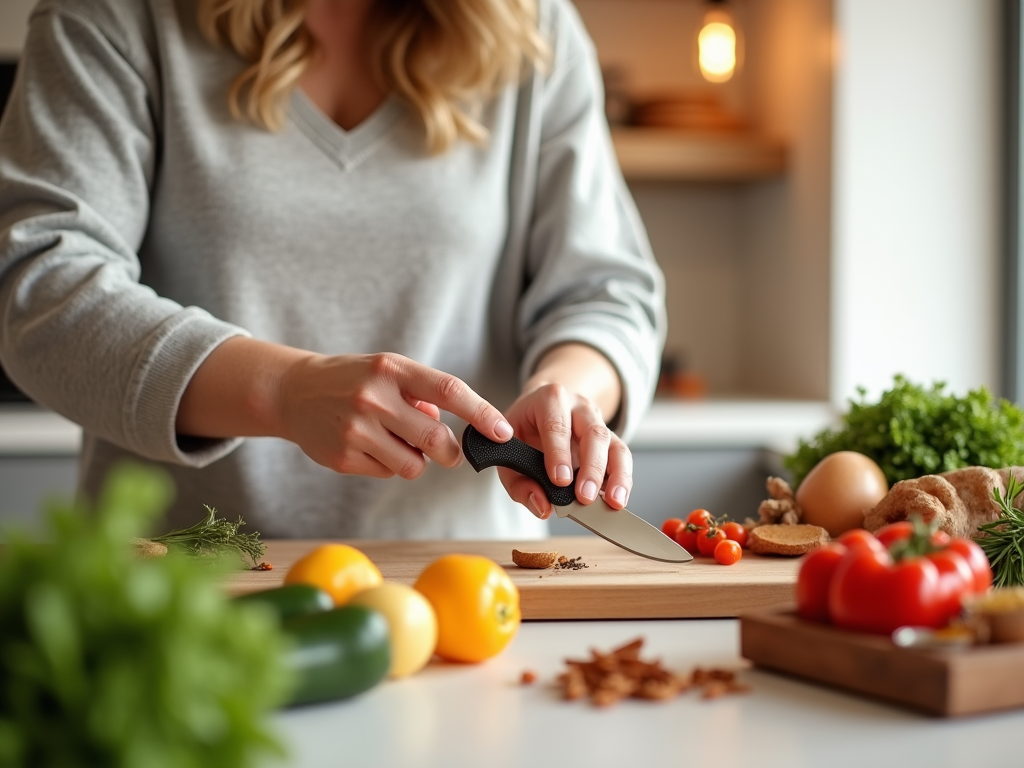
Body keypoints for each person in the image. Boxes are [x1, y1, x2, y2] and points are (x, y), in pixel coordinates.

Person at [0, 0, 665, 539]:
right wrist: (282, 390)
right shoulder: (113, 16)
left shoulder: (534, 28)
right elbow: (41, 286)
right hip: (176, 594)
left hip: (465, 599)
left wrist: (569, 390)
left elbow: (606, 293)